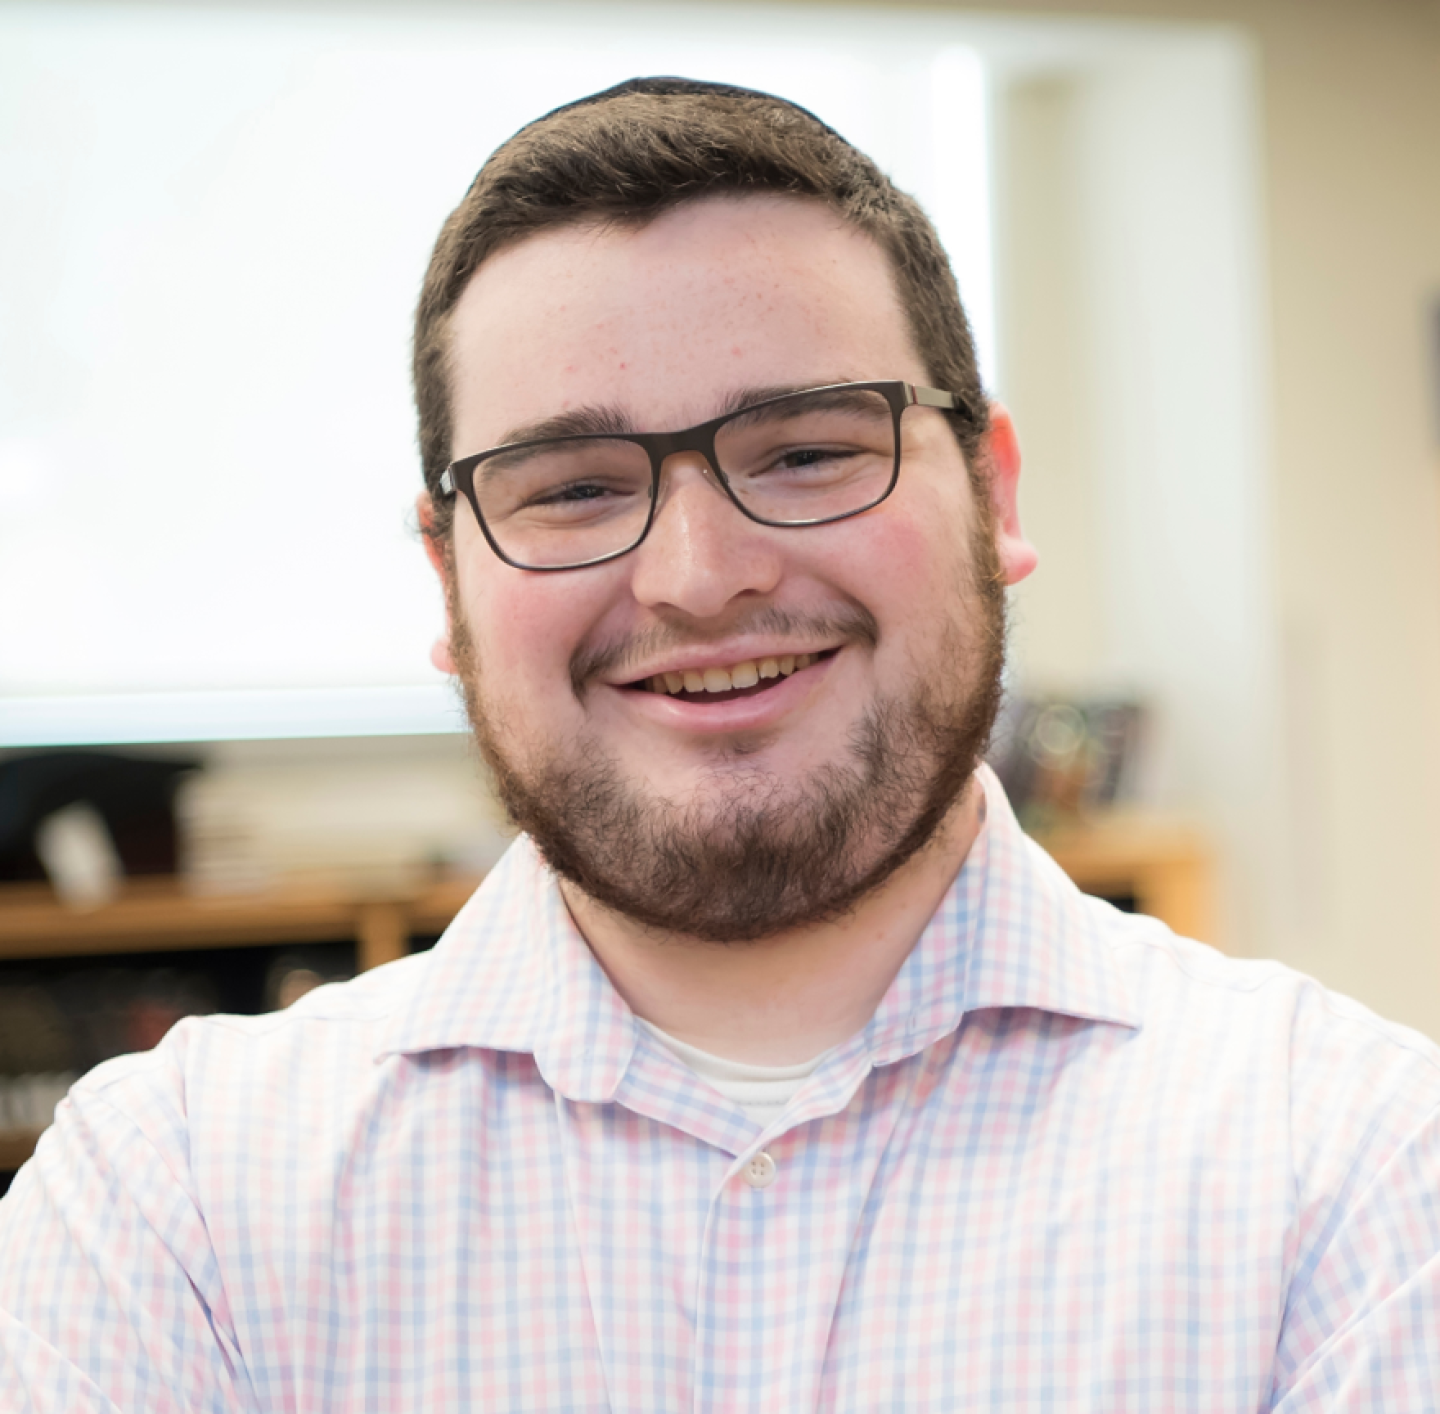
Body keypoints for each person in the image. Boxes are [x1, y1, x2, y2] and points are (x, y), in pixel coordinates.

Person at [1, 77, 1437, 1412]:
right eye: (569, 485)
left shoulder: (1353, 1177)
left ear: (994, 497)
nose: (698, 573)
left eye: (806, 449)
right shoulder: (171, 1208)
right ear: (448, 580)